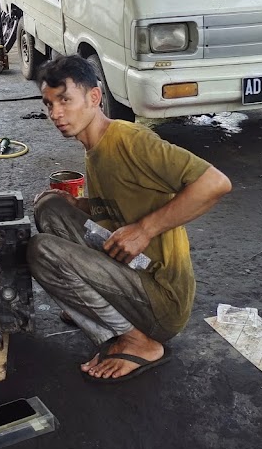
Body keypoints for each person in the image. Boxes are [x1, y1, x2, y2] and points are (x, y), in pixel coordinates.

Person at [28, 54, 231, 384]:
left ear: (94, 97)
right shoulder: (95, 147)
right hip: (129, 271)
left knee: (41, 250)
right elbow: (115, 210)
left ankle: (139, 341)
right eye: (49, 104)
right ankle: (90, 305)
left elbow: (216, 183)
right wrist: (79, 206)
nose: (56, 113)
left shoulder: (130, 141)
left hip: (160, 299)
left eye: (65, 100)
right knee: (49, 206)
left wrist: (145, 230)